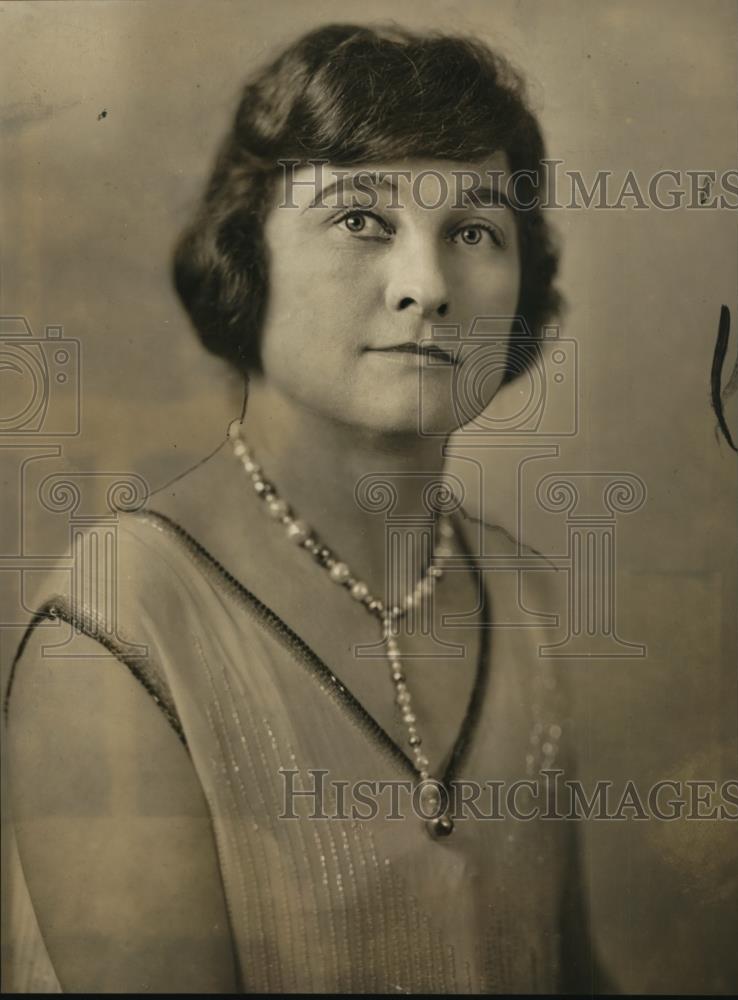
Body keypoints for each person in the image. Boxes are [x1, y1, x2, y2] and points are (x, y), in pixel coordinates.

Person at [5, 23, 613, 994]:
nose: (425, 287)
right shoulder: (120, 622)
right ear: (248, 256)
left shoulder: (526, 595)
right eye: (360, 220)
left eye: (473, 231)